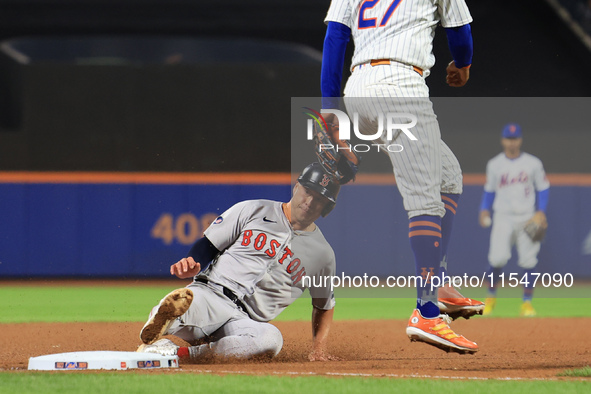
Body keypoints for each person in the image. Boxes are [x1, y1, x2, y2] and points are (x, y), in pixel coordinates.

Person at [320, 0, 482, 354]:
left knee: (449, 177)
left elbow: (335, 39)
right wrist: (463, 64)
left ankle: (436, 284)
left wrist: (331, 108)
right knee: (425, 199)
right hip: (400, 86)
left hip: (359, 90)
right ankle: (426, 311)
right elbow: (459, 30)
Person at [137, 163, 341, 362]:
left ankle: (178, 353)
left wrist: (319, 349)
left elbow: (324, 305)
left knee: (271, 339)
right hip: (212, 295)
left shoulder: (323, 255)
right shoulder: (254, 209)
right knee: (181, 304)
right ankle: (156, 329)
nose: (310, 201)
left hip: (244, 322)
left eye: (320, 199)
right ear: (297, 186)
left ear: (327, 207)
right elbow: (209, 245)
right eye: (308, 191)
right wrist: (193, 261)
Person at [479, 123, 550, 317]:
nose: (512, 142)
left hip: (527, 217)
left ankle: (526, 303)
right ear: (503, 140)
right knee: (497, 258)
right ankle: (491, 298)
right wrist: (484, 209)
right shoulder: (494, 164)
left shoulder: (533, 163)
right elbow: (489, 190)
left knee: (528, 261)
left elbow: (543, 187)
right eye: (509, 138)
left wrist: (541, 211)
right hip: (503, 216)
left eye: (515, 138)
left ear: (520, 140)